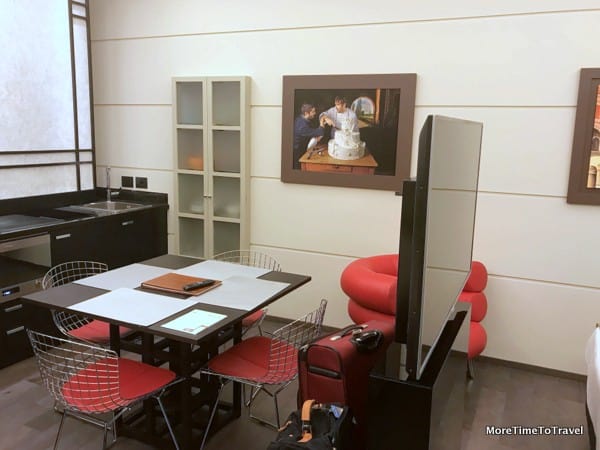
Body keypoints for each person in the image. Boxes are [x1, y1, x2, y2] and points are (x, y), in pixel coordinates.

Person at [293, 103, 326, 169]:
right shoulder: (302, 127)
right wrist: (322, 122)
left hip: (301, 147)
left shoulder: (300, 118)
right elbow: (320, 132)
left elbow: (312, 131)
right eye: (313, 112)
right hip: (298, 151)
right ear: (306, 113)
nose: (315, 113)